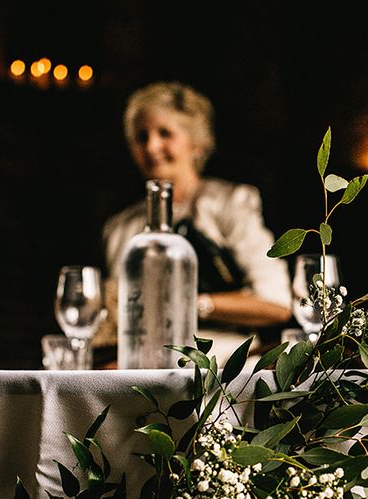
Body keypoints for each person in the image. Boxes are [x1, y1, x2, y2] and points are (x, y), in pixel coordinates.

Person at [97, 81, 292, 364]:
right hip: (141, 366)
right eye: (141, 137)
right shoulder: (120, 228)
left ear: (196, 144)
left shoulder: (230, 205)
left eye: (165, 133)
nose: (151, 146)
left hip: (223, 366)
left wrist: (190, 304)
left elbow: (276, 304)